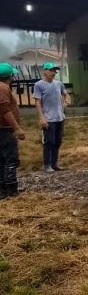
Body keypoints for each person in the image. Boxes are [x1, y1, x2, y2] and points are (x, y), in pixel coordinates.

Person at [34, 62, 69, 172]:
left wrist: (67, 101)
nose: (53, 72)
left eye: (54, 71)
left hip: (60, 118)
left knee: (58, 141)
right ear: (44, 71)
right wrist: (42, 117)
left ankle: (54, 164)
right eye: (50, 70)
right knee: (49, 142)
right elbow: (37, 102)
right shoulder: (39, 85)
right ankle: (47, 164)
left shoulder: (59, 84)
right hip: (48, 119)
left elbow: (66, 94)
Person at [0, 62, 25, 199]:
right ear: (10, 76)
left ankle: (2, 190)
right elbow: (5, 110)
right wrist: (17, 128)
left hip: (2, 130)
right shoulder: (3, 88)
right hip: (5, 130)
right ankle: (11, 189)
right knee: (10, 159)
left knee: (2, 160)